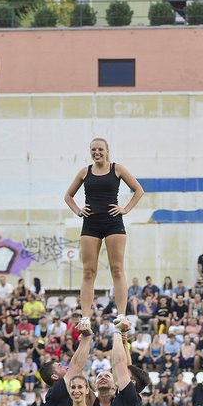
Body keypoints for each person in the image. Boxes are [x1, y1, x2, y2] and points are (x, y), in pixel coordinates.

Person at [63, 138, 144, 329]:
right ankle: (85, 317)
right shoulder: (85, 172)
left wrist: (125, 209)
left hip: (113, 223)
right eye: (93, 149)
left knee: (117, 269)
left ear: (107, 150)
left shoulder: (117, 169)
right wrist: (78, 210)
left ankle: (122, 315)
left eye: (100, 149)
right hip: (90, 224)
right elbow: (68, 196)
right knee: (88, 271)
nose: (96, 152)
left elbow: (138, 191)